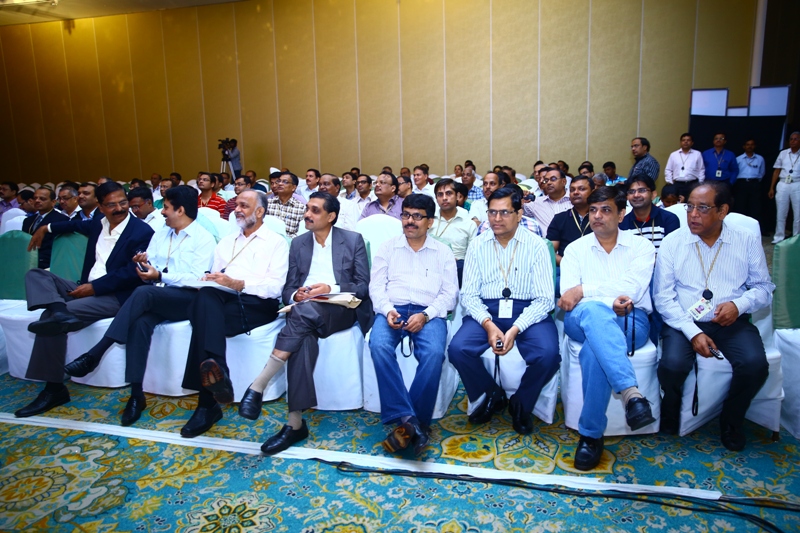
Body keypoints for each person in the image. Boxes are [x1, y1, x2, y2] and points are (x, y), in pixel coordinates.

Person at [64, 186, 216, 426]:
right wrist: (142, 264)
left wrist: (160, 276)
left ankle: (96, 352)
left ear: (180, 210)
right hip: (158, 295)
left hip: (187, 299)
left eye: (166, 207)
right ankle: (136, 395)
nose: (162, 212)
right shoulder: (161, 233)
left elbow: (196, 279)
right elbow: (150, 264)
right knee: (139, 323)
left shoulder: (203, 238)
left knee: (143, 293)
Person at [240, 192, 372, 454]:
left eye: (315, 210)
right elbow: (288, 287)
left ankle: (259, 384)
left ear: (331, 216)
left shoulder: (352, 240)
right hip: (305, 311)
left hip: (341, 307)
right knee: (302, 335)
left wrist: (330, 288)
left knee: (301, 315)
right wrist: (295, 295)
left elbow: (362, 286)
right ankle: (294, 423)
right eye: (307, 209)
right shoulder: (298, 243)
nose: (307, 215)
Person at [15, 182, 154, 418]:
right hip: (84, 286)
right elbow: (73, 224)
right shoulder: (98, 224)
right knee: (36, 275)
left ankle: (54, 389)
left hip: (115, 295)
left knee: (48, 318)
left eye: (123, 202)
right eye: (111, 205)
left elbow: (133, 272)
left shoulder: (141, 231)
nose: (120, 208)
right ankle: (60, 310)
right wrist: (46, 228)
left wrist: (94, 288)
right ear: (100, 206)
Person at [655, 183, 773, 451]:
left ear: (722, 211)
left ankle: (731, 421)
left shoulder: (745, 240)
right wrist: (693, 332)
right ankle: (670, 410)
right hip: (683, 321)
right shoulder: (673, 242)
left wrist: (739, 305)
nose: (693, 214)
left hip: (731, 321)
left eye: (703, 208)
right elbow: (663, 297)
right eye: (690, 207)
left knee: (755, 365)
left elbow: (764, 288)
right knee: (672, 365)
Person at [558, 186, 656, 471]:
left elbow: (633, 289)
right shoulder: (575, 249)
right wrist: (601, 299)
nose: (597, 216)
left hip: (631, 318)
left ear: (622, 214)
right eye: (593, 210)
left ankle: (590, 436)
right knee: (593, 311)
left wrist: (585, 289)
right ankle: (631, 394)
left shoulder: (642, 247)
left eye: (605, 210)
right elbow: (568, 297)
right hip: (581, 318)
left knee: (594, 349)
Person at [449, 187, 559, 434]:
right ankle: (491, 393)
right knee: (458, 349)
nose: (496, 219)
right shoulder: (477, 245)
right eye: (492, 212)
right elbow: (469, 295)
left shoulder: (537, 246)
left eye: (504, 212)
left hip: (529, 309)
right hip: (487, 309)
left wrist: (516, 328)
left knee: (549, 354)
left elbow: (545, 300)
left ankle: (522, 403)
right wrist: (488, 325)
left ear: (519, 214)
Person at [179, 190, 289, 438]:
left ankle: (207, 404)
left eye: (244, 206)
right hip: (223, 300)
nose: (236, 210)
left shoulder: (276, 242)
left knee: (203, 315)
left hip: (257, 303)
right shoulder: (226, 242)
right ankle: (219, 373)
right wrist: (210, 279)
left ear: (259, 212)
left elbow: (275, 288)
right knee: (204, 298)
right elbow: (216, 277)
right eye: (236, 205)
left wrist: (238, 283)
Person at [369, 194, 458, 455]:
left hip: (429, 312)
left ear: (430, 221)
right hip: (393, 309)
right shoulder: (387, 248)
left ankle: (408, 424)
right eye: (406, 215)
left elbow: (450, 294)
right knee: (378, 346)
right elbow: (376, 287)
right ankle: (413, 422)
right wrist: (387, 310)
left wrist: (426, 315)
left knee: (433, 353)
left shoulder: (443, 252)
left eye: (417, 216)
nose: (410, 221)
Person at [620, 174, 680, 344]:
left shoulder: (668, 219)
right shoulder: (623, 224)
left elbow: (673, 256)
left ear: (653, 194)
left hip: (664, 272)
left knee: (655, 282)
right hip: (635, 275)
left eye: (641, 190)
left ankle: (662, 339)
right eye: (631, 192)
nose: (636, 195)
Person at [547, 174, 595, 295]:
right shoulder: (559, 218)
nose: (576, 192)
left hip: (596, 269)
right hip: (566, 269)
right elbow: (550, 251)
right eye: (572, 190)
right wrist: (567, 263)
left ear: (593, 192)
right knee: (552, 284)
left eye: (581, 189)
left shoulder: (601, 218)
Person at [429, 178, 475, 286]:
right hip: (430, 267)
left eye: (449, 193)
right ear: (436, 198)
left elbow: (473, 257)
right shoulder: (428, 221)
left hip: (458, 270)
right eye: (440, 194)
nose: (444, 198)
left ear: (457, 196)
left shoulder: (468, 223)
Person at [23, 188, 68, 269]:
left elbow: (58, 246)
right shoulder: (27, 220)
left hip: (48, 263)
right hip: (27, 260)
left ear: (53, 202)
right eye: (35, 198)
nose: (37, 201)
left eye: (42, 199)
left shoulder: (61, 219)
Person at [768, 131, 800, 244]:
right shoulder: (783, 153)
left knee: (798, 213)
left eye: (796, 139)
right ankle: (779, 237)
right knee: (781, 212)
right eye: (791, 139)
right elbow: (777, 171)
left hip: (797, 183)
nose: (793, 141)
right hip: (783, 183)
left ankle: (796, 238)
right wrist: (771, 187)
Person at [523, 167, 572, 234]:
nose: (548, 183)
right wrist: (521, 198)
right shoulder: (536, 203)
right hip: (546, 240)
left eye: (553, 179)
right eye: (546, 180)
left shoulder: (574, 201)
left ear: (564, 181)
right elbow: (517, 212)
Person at [664, 133, 705, 201]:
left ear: (692, 143)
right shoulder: (673, 155)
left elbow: (701, 169)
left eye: (688, 140)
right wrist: (670, 184)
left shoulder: (697, 154)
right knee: (678, 203)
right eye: (683, 140)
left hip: (692, 184)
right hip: (678, 184)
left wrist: (700, 183)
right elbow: (668, 170)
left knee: (691, 202)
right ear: (680, 142)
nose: (686, 142)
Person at [733, 138, 766, 220]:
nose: (749, 146)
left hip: (755, 184)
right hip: (741, 184)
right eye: (747, 145)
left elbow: (762, 172)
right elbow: (735, 171)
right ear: (744, 146)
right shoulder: (738, 159)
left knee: (756, 206)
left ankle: (756, 226)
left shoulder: (760, 158)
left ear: (754, 146)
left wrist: (756, 181)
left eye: (752, 145)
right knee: (740, 206)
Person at [266, 172, 306, 237]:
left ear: (293, 187)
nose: (280, 184)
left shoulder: (301, 208)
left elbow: (302, 233)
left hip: (291, 241)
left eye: (285, 182)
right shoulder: (267, 204)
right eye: (279, 181)